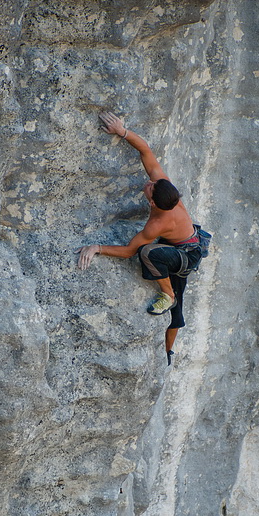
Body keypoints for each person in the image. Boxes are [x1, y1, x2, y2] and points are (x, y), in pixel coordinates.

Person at [77, 111, 203, 365]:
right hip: (181, 243)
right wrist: (122, 131)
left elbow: (129, 251)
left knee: (148, 254)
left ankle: (168, 295)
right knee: (176, 317)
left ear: (153, 201)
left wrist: (97, 247)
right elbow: (146, 151)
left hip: (186, 255)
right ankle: (169, 350)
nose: (148, 182)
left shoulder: (158, 222)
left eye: (150, 187)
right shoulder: (165, 189)